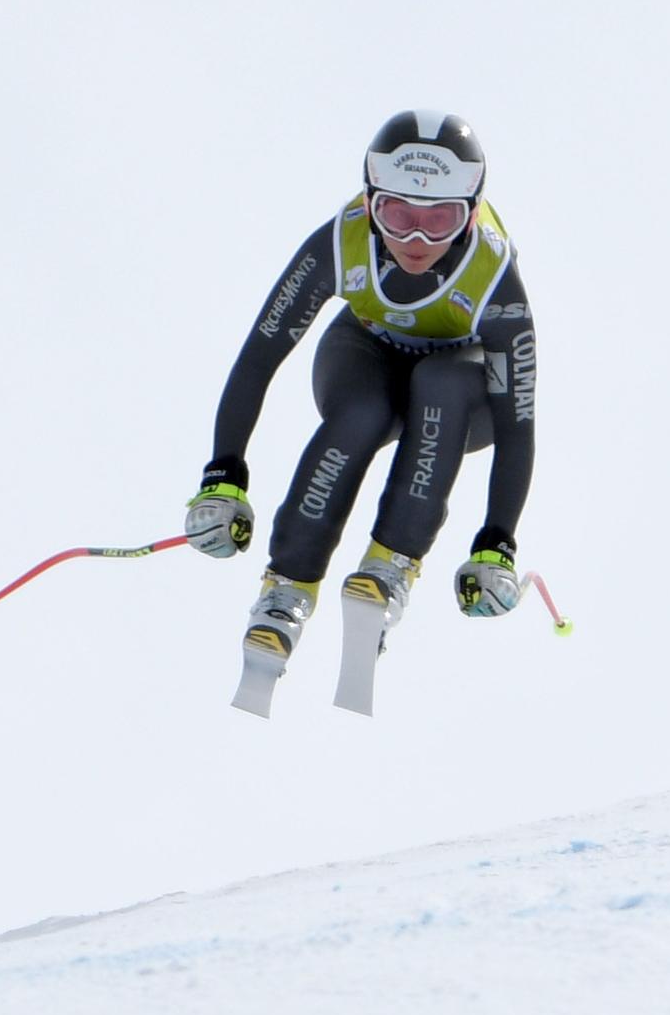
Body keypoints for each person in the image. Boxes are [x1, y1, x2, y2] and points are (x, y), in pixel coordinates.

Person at [181, 109, 537, 714]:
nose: (415, 241)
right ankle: (285, 590)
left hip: (460, 391)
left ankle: (389, 565)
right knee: (363, 413)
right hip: (364, 353)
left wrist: (495, 544)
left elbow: (517, 423)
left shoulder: (493, 275)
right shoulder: (340, 241)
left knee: (442, 383)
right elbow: (260, 356)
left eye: (440, 220)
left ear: (472, 213)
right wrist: (223, 477)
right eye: (397, 216)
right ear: (371, 202)